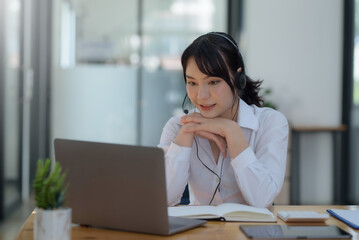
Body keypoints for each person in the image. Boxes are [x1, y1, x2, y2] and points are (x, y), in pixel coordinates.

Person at [158, 32, 289, 208]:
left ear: (238, 79)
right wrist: (187, 132)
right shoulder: (177, 128)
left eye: (213, 82)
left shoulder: (270, 123)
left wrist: (231, 131)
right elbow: (163, 200)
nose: (201, 96)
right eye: (192, 83)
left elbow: (262, 199)